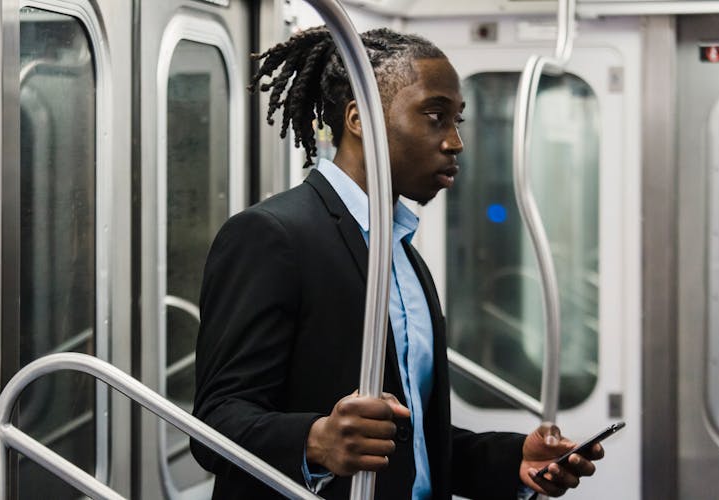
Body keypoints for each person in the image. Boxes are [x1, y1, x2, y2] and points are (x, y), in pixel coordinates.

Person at [191, 26, 603, 499]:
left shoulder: (401, 253)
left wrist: (513, 460)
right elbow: (215, 423)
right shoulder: (272, 236)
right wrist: (315, 441)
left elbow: (413, 445)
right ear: (358, 118)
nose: (455, 142)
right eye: (434, 116)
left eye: (457, 120)